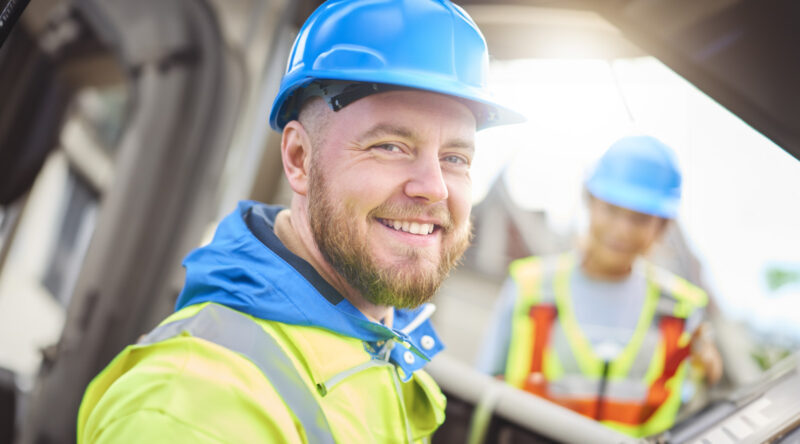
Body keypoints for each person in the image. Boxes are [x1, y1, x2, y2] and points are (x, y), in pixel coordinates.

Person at [76, 0, 524, 443]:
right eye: (390, 146)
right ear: (298, 158)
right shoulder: (192, 408)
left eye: (455, 158)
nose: (435, 188)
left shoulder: (382, 349)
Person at [476, 135, 722, 438]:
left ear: (662, 227)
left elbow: (692, 408)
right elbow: (483, 395)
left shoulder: (681, 310)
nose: (622, 229)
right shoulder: (530, 286)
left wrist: (707, 374)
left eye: (640, 219)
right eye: (612, 210)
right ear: (590, 202)